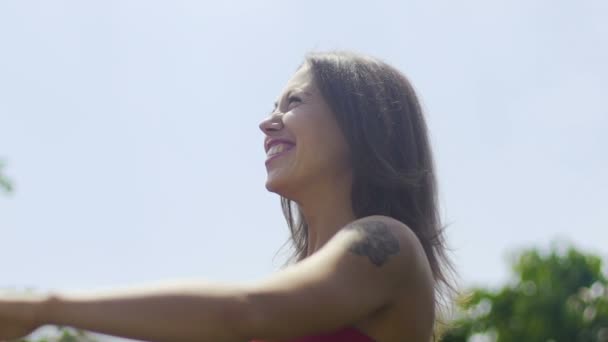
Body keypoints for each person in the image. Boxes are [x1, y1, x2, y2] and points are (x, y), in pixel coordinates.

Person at [0, 51, 455, 342]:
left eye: (294, 103)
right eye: (272, 107)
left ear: (363, 124)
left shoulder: (389, 245)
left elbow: (248, 311)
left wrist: (41, 309)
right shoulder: (290, 291)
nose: (267, 122)